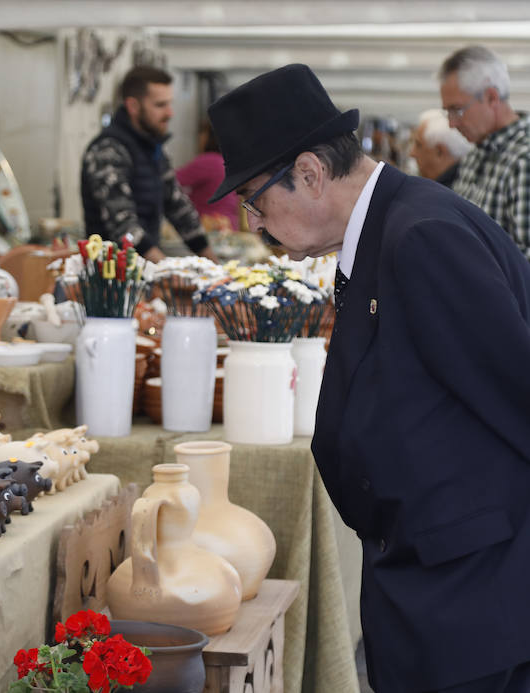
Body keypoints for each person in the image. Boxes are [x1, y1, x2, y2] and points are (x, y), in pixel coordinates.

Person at [207, 63, 530, 692]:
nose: (254, 223)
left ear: (309, 172)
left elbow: (517, 391)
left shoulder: (422, 237)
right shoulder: (387, 228)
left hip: (469, 597)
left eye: (255, 200)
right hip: (435, 579)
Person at [80, 66, 218, 263]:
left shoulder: (153, 149)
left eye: (170, 104)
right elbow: (124, 227)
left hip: (145, 270)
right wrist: (165, 270)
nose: (170, 113)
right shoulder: (107, 150)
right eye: (160, 105)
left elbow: (178, 207)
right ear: (133, 106)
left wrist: (215, 267)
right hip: (112, 278)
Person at [439, 45, 530, 258]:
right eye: (448, 112)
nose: (452, 123)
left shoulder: (523, 162)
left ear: (491, 97)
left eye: (457, 110)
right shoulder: (474, 157)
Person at [175, 120, 240, 230]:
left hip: (213, 225)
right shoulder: (227, 162)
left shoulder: (209, 161)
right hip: (230, 224)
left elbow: (169, 179)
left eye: (202, 134)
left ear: (210, 137)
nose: (199, 139)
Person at [409, 108, 471, 187]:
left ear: (439, 152)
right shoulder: (465, 186)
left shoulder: (443, 195)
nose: (412, 153)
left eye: (418, 145)